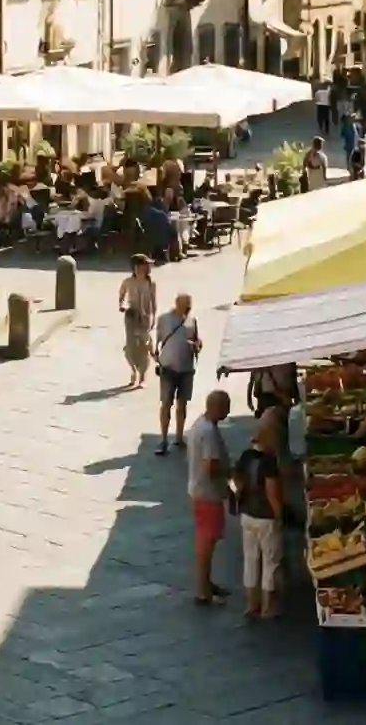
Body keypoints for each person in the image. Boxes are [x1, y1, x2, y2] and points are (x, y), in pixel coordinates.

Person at [233, 417, 286, 620]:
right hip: (266, 517)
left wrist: (240, 496)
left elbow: (235, 481)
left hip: (247, 514)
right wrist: (279, 515)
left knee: (250, 559)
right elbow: (272, 494)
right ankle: (267, 606)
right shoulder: (269, 462)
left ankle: (250, 603)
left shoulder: (246, 456)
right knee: (270, 562)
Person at [185, 390, 233, 605]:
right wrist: (229, 477)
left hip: (198, 490)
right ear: (218, 407)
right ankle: (203, 589)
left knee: (204, 539)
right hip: (208, 493)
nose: (228, 411)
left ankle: (206, 582)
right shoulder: (209, 433)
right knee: (207, 541)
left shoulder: (199, 425)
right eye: (226, 407)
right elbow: (211, 466)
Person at [153, 294, 202, 456]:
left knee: (182, 404)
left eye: (189, 305)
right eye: (185, 305)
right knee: (166, 403)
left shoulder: (191, 321)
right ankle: (163, 439)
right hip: (168, 367)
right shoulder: (164, 319)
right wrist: (155, 354)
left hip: (186, 368)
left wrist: (196, 345)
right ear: (177, 304)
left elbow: (197, 341)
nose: (187, 308)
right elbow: (157, 341)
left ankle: (179, 437)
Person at [116, 255, 157, 390]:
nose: (147, 268)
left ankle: (143, 376)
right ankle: (133, 370)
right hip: (131, 317)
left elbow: (153, 301)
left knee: (144, 346)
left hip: (145, 318)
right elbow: (121, 295)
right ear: (136, 267)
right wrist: (122, 305)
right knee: (131, 347)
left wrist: (153, 317)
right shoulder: (128, 281)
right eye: (144, 265)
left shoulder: (151, 283)